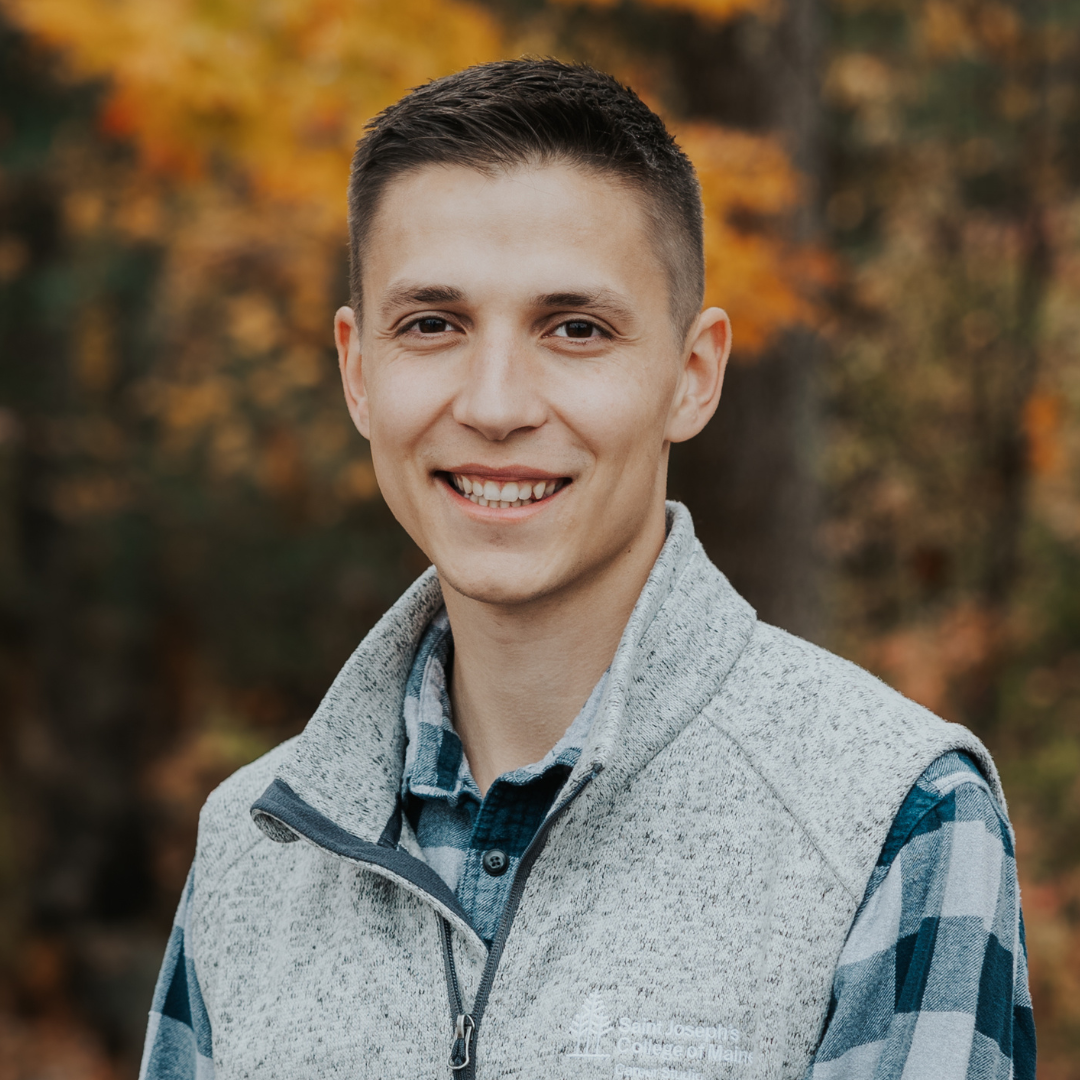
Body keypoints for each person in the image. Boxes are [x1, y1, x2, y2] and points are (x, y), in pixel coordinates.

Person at [139, 59, 1034, 1080]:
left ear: (691, 378)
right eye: (432, 324)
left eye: (576, 329)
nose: (496, 402)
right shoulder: (255, 846)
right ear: (357, 371)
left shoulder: (896, 816)